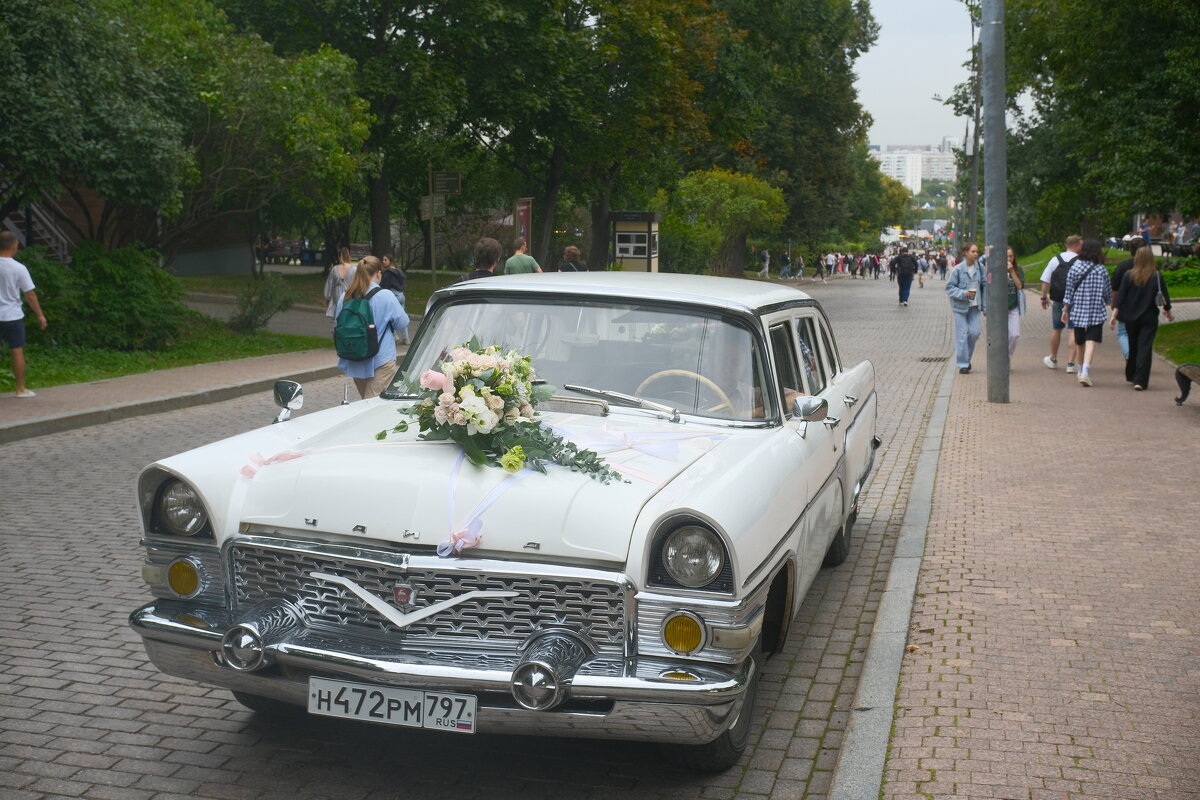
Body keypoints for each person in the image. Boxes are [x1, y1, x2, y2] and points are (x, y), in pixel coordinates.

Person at [335, 256, 409, 399]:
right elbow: (402, 323)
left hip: (355, 357)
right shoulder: (386, 296)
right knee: (372, 406)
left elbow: (338, 325)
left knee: (366, 402)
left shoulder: (346, 296)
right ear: (378, 273)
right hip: (381, 359)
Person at [1110, 245, 1173, 390]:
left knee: (1133, 346)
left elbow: (1121, 297)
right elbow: (1164, 295)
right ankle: (1141, 380)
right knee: (1145, 346)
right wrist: (1168, 310)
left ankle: (1131, 374)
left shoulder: (1128, 275)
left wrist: (1114, 314)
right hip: (1149, 317)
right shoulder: (1156, 276)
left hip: (1131, 317)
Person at [0, 232, 48, 398]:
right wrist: (40, 315)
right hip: (12, 315)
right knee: (17, 351)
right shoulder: (19, 268)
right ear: (13, 246)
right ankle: (20, 389)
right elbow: (30, 294)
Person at [1060, 238, 1112, 387]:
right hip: (1096, 311)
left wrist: (1065, 309)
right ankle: (1085, 372)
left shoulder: (1075, 268)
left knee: (1080, 341)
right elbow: (1107, 292)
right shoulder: (1101, 269)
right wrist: (1109, 301)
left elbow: (1068, 291)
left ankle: (1080, 368)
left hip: (1077, 311)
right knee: (1091, 341)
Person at [1038, 234, 1083, 372]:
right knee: (1072, 330)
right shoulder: (1081, 261)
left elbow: (1046, 281)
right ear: (1075, 245)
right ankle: (1070, 364)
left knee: (1056, 328)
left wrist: (1044, 297)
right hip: (1075, 299)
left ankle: (1053, 358)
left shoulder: (1055, 259)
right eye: (1081, 245)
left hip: (1058, 298)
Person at [945, 243, 984, 373]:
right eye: (973, 251)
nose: (976, 254)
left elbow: (985, 287)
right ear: (966, 253)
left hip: (974, 307)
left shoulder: (980, 268)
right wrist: (963, 293)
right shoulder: (958, 269)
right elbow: (949, 288)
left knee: (975, 332)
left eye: (977, 251)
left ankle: (966, 358)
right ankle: (963, 364)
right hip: (960, 307)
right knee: (962, 335)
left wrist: (985, 306)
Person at [1108, 238, 1144, 362]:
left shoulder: (1123, 266)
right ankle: (1139, 356)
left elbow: (1115, 288)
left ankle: (1129, 355)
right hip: (1144, 305)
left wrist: (1114, 302)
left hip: (1125, 305)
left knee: (1123, 332)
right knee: (1141, 334)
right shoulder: (1150, 267)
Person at [378, 254, 409, 345]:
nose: (383, 261)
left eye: (385, 260)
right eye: (382, 260)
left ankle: (394, 336)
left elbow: (384, 285)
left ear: (390, 261)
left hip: (393, 295)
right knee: (402, 316)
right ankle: (406, 338)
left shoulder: (388, 272)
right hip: (401, 295)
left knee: (389, 316)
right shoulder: (399, 271)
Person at [323, 247, 356, 324]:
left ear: (339, 256)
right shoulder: (354, 269)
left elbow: (330, 284)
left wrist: (327, 298)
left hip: (337, 295)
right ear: (349, 256)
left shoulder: (335, 269)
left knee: (337, 317)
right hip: (349, 294)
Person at [1004, 247, 1026, 357]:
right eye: (1006, 256)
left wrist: (1012, 271)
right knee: (1002, 335)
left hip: (1013, 306)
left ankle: (1007, 356)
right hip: (1000, 308)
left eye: (1011, 256)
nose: (1009, 258)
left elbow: (1019, 286)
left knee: (1015, 334)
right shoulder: (997, 269)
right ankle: (1002, 358)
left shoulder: (1018, 269)